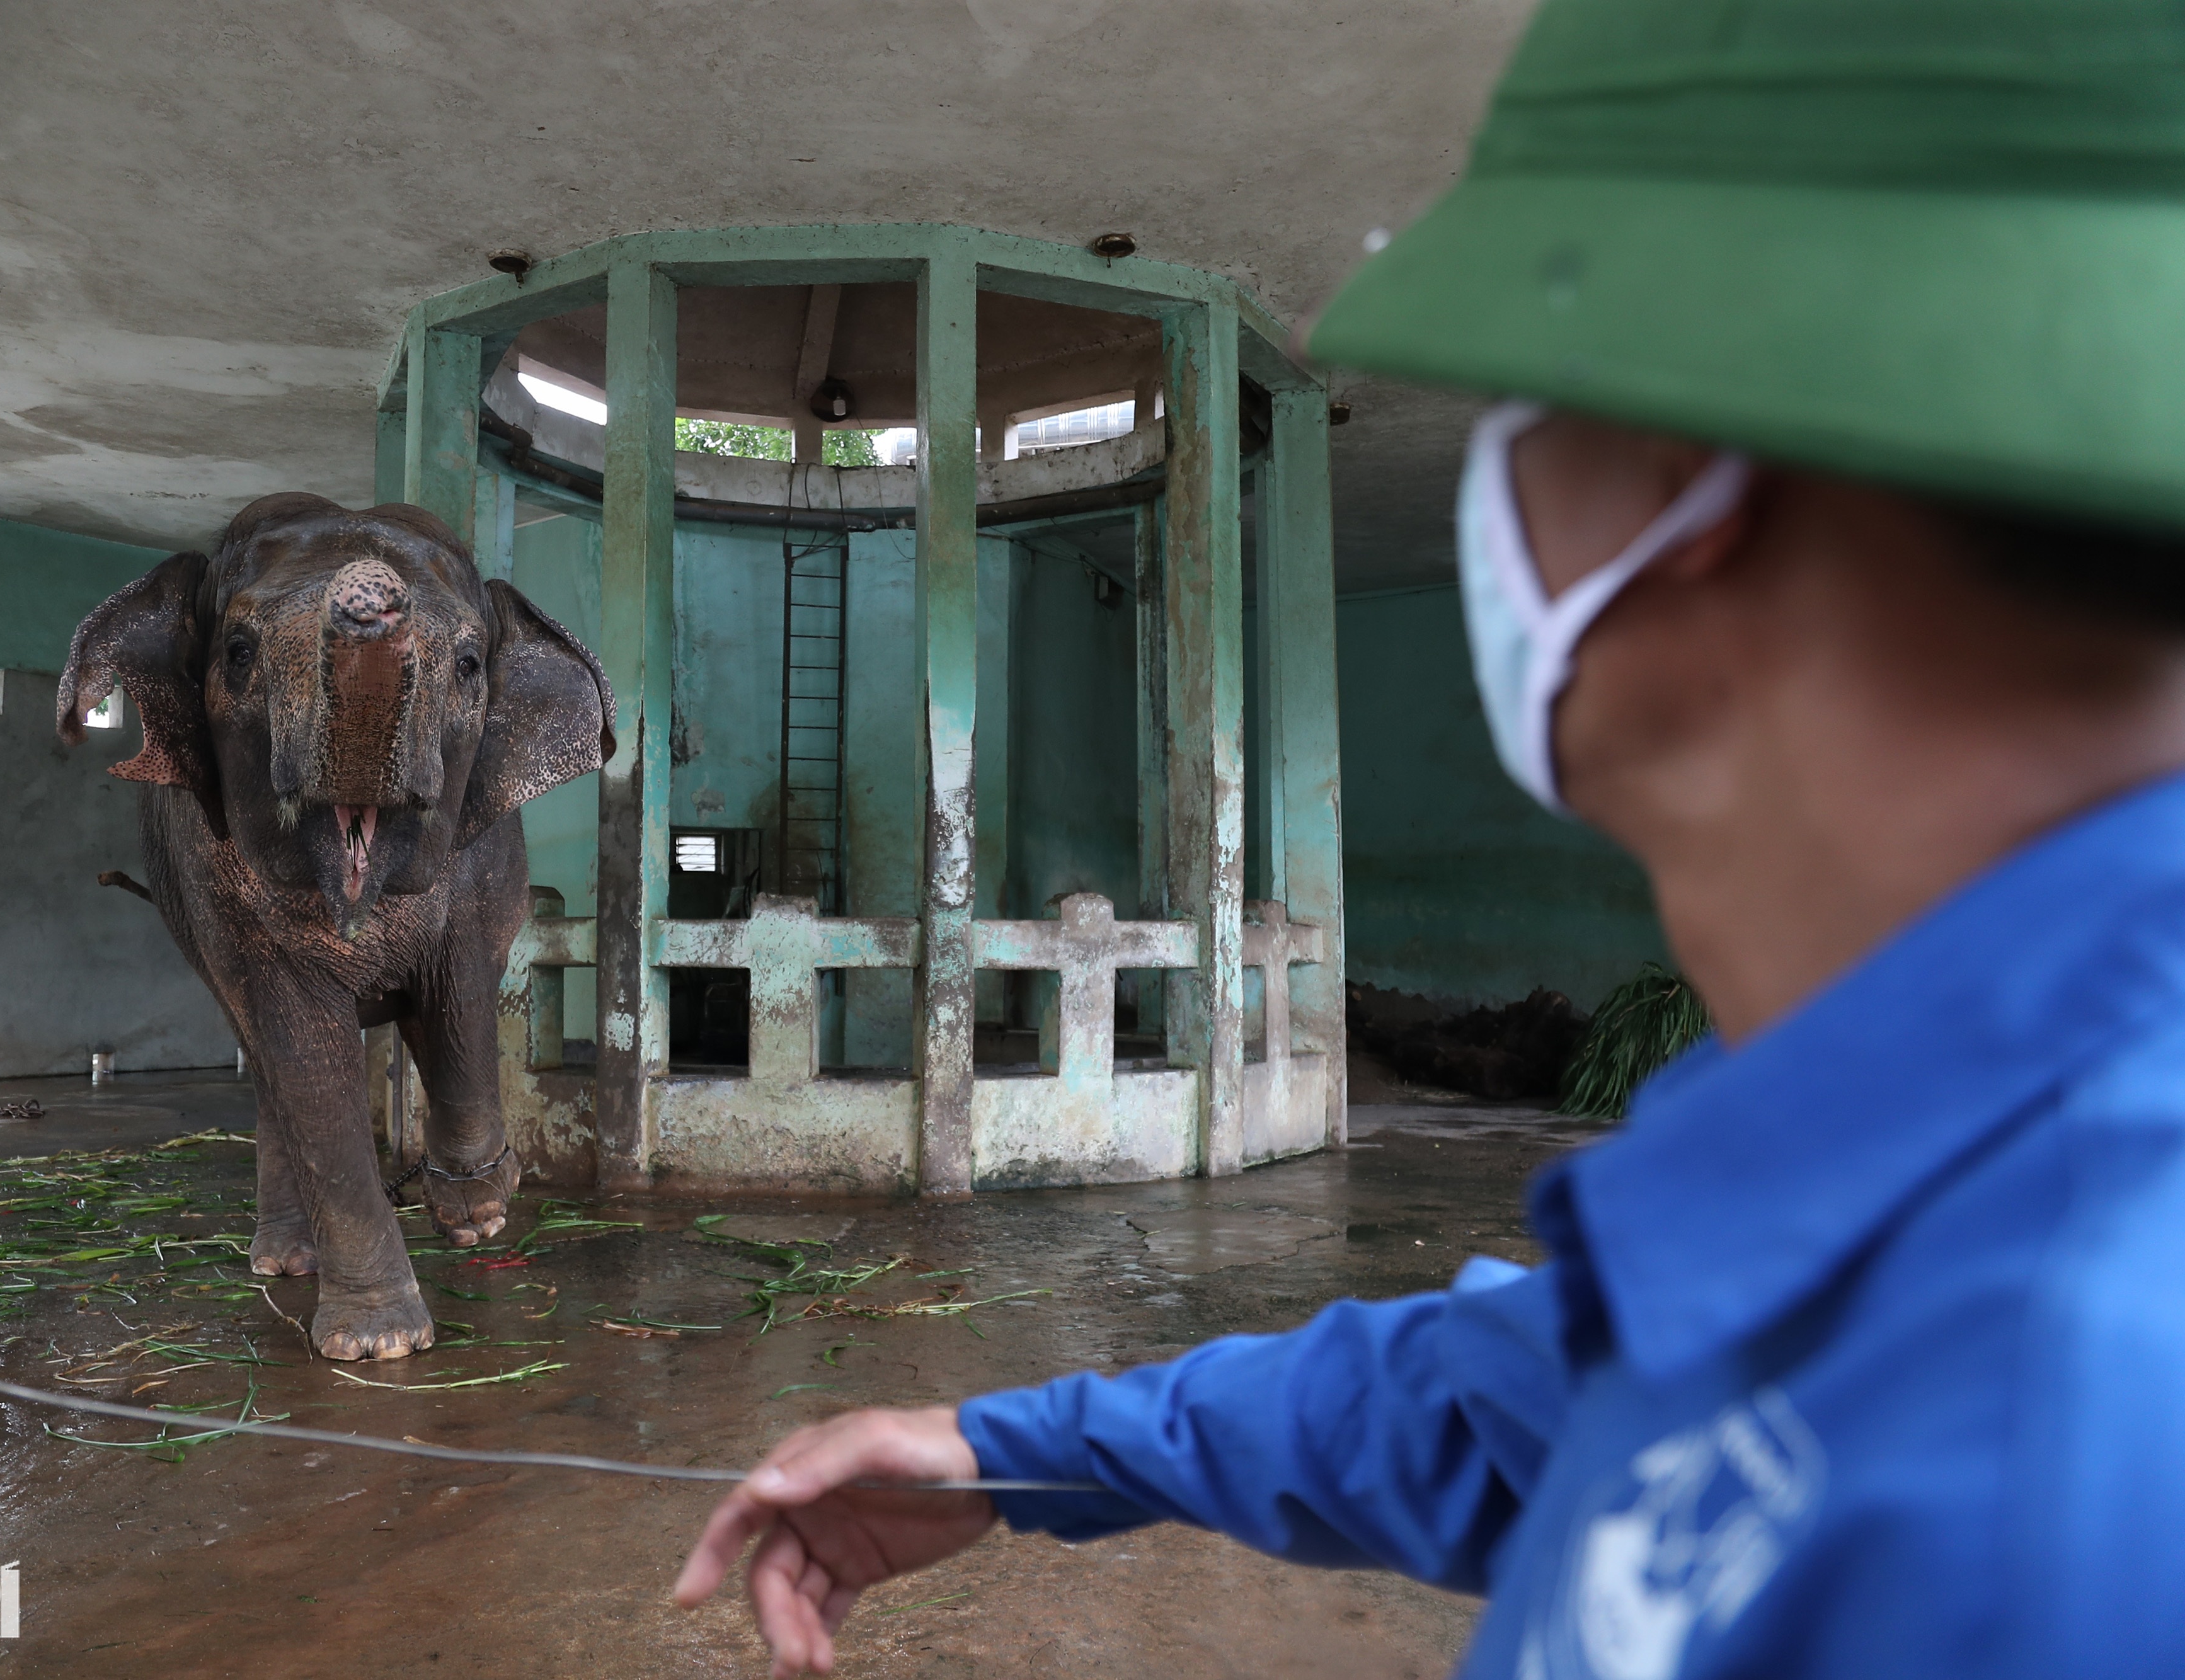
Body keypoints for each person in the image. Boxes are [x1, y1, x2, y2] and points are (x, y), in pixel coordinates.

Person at [675, 1, 2185, 1674]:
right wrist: (1029, 1448)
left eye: (1523, 408)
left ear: (1685, 474)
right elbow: (1523, 1396)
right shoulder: (1877, 1138)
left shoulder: (2079, 1462)